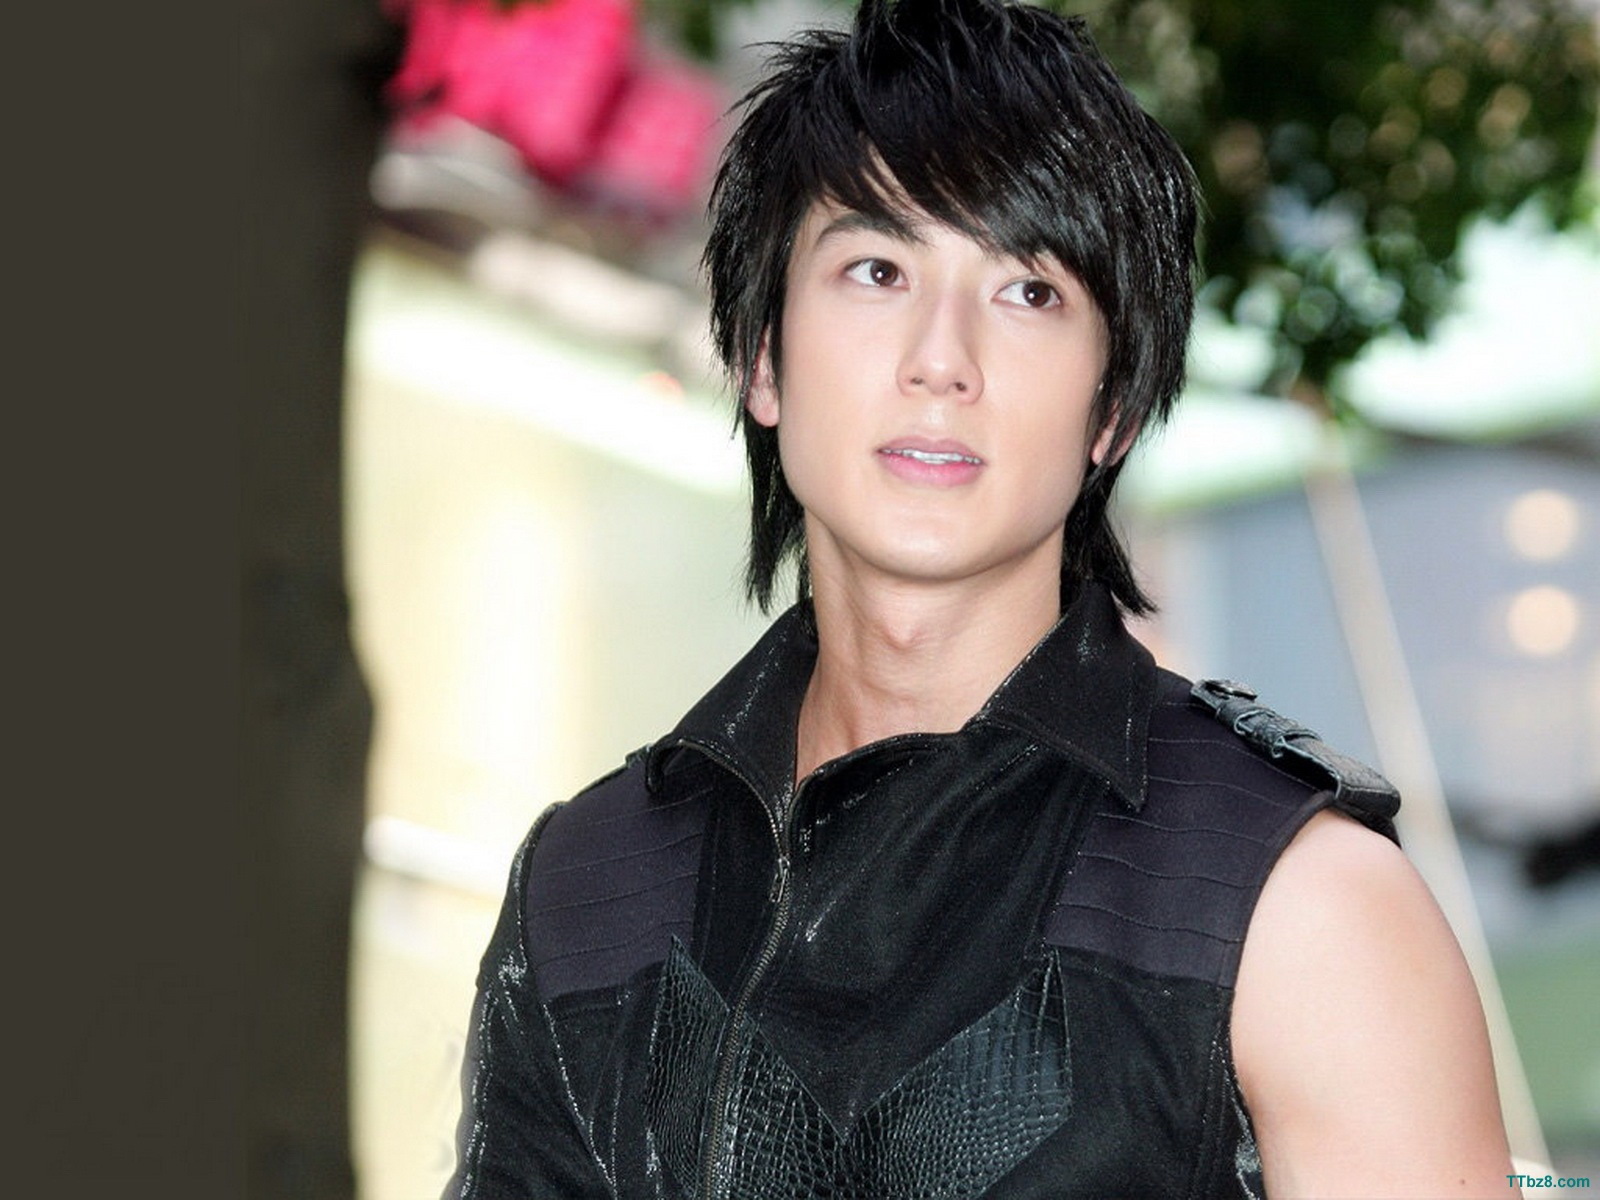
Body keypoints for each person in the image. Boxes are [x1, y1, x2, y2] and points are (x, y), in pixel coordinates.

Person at [445, 1, 1514, 1195]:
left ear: (1113, 409)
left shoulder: (1297, 905)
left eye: (1027, 292)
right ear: (761, 357)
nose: (940, 361)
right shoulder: (588, 883)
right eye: (877, 270)